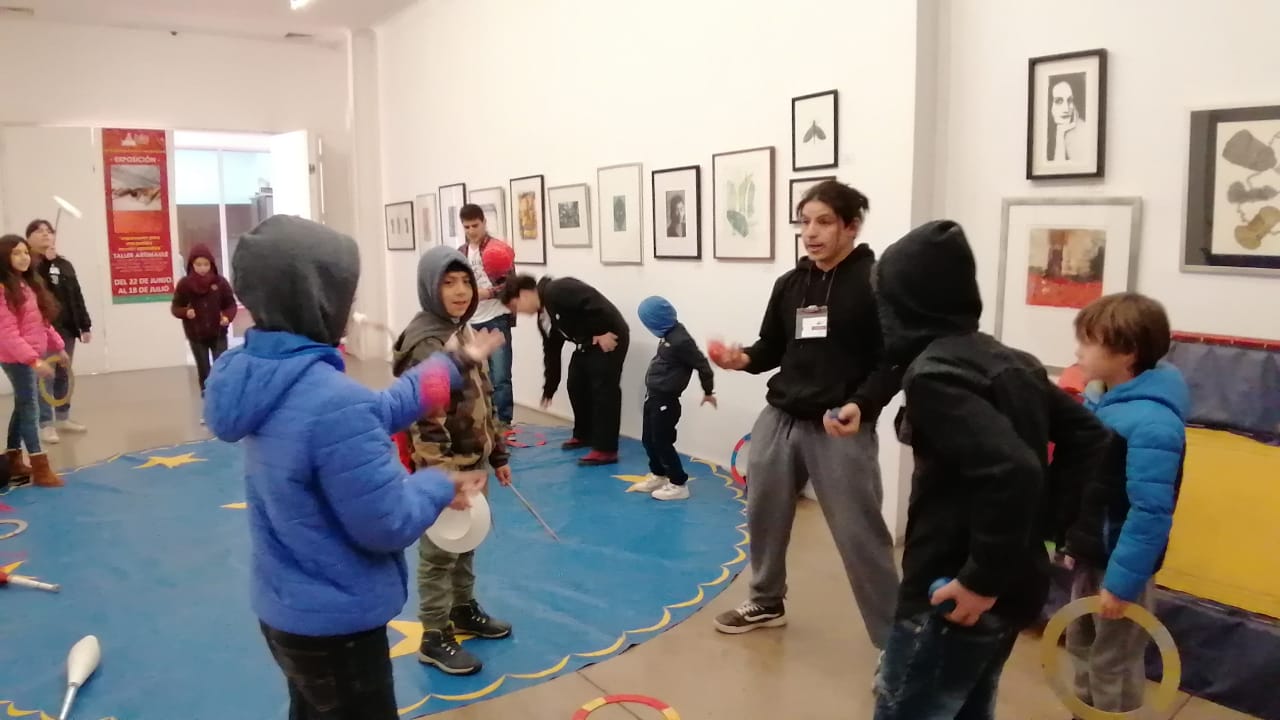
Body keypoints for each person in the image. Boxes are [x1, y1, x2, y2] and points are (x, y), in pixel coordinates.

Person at [202, 215, 495, 720]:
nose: (351, 304)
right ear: (316, 299)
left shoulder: (264, 376)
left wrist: (452, 363)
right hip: (338, 626)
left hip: (286, 612)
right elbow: (388, 522)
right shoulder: (333, 401)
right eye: (344, 292)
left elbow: (380, 409)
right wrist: (436, 484)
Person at [870, 219, 1110, 720]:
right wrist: (1039, 531)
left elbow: (1013, 468)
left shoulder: (934, 374)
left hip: (953, 589)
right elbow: (1087, 435)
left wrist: (980, 578)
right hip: (1014, 582)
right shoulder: (1010, 359)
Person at [708, 181, 900, 653]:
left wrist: (862, 405)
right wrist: (741, 359)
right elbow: (771, 347)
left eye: (823, 222)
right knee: (763, 513)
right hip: (780, 416)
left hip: (840, 423)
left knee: (859, 533)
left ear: (851, 226)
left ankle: (895, 643)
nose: (810, 233)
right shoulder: (791, 284)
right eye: (805, 222)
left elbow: (892, 362)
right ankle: (766, 601)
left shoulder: (877, 284)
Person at [1063, 292, 1188, 713]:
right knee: (1081, 649)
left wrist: (1120, 584)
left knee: (1111, 665)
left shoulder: (1153, 424)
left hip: (1120, 569)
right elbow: (1091, 487)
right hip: (1091, 557)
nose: (1078, 351)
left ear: (1127, 353)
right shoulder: (1099, 403)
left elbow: (1150, 513)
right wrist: (1074, 541)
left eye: (1089, 342)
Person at [391, 246, 513, 675]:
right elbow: (425, 420)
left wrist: (497, 453)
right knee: (441, 549)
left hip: (471, 461)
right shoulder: (427, 343)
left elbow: (485, 397)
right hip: (444, 468)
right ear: (430, 287)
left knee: (466, 539)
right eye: (448, 283)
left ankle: (462, 609)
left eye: (465, 281)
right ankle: (433, 633)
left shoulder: (462, 330)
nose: (461, 291)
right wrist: (439, 479)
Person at [501, 273, 629, 465]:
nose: (517, 313)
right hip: (587, 342)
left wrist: (601, 331)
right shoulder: (543, 318)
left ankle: (606, 449)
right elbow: (551, 352)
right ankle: (584, 434)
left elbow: (593, 303)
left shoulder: (558, 290)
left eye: (515, 306)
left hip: (610, 337)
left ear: (524, 294)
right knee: (575, 384)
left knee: (604, 390)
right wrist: (549, 388)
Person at [630, 295, 715, 501]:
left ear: (655, 320)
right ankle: (659, 474)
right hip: (653, 397)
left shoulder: (680, 340)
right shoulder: (668, 334)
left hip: (666, 401)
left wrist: (708, 391)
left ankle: (678, 483)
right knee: (648, 440)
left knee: (662, 442)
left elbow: (702, 365)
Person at [0, 235, 67, 488]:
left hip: (28, 356)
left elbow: (42, 323)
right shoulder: (3, 289)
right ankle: (40, 467)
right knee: (30, 407)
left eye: (25, 252)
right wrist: (32, 360)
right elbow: (6, 333)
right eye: (16, 253)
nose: (23, 257)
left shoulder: (27, 284)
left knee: (23, 405)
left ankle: (14, 458)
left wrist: (59, 346)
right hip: (15, 358)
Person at [27, 220, 92, 439]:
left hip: (67, 329)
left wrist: (85, 325)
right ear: (29, 238)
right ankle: (46, 423)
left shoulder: (64, 264)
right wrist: (46, 263)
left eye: (49, 231)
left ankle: (63, 417)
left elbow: (76, 295)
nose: (45, 234)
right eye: (39, 231)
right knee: (46, 375)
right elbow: (38, 289)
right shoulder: (28, 265)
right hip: (42, 329)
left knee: (64, 373)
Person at [458, 204, 515, 431]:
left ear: (484, 223)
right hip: (471, 322)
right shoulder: (460, 253)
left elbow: (511, 286)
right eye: (467, 227)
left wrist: (487, 293)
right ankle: (483, 422)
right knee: (475, 377)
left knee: (500, 376)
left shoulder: (497, 250)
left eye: (475, 225)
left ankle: (503, 423)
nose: (471, 231)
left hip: (496, 318)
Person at [171, 244, 238, 397]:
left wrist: (227, 317)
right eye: (198, 264)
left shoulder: (220, 283)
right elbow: (175, 307)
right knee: (204, 370)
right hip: (196, 335)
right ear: (192, 265)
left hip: (218, 333)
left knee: (221, 367)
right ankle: (207, 398)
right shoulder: (184, 285)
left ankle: (221, 396)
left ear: (211, 264)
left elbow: (230, 304)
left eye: (206, 264)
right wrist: (185, 312)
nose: (202, 268)